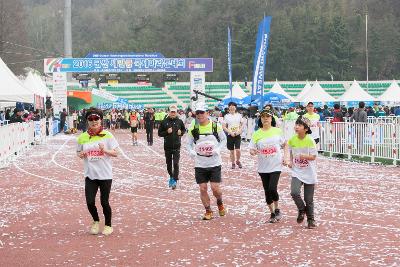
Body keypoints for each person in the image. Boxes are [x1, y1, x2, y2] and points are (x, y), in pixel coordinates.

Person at [76, 107, 119, 236]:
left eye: (96, 119)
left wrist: (105, 150)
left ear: (101, 120)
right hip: (90, 175)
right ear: (87, 121)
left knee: (104, 202)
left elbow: (116, 153)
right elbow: (78, 152)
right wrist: (81, 154)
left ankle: (108, 225)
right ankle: (95, 221)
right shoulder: (83, 137)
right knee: (89, 201)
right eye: (91, 119)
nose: (94, 121)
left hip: (105, 175)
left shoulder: (108, 135)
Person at [187, 102, 227, 220]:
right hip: (200, 163)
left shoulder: (215, 126)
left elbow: (223, 140)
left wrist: (218, 149)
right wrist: (192, 152)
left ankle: (219, 202)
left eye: (202, 113)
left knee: (215, 188)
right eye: (197, 113)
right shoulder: (193, 128)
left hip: (214, 162)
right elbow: (188, 144)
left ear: (207, 113)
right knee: (203, 188)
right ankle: (208, 210)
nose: (199, 115)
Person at [249, 109, 288, 223]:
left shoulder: (277, 131)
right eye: (263, 117)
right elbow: (251, 149)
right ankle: (271, 213)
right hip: (263, 167)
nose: (265, 118)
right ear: (260, 119)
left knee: (272, 188)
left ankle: (277, 209)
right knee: (267, 191)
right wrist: (253, 152)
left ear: (272, 119)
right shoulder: (257, 134)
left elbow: (285, 144)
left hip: (276, 165)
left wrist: (286, 158)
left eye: (268, 116)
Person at [287, 117, 318, 229]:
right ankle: (301, 209)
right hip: (297, 172)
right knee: (294, 192)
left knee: (308, 199)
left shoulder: (310, 140)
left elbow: (314, 157)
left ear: (305, 128)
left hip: (309, 172)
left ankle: (311, 220)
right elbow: (289, 150)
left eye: (299, 125)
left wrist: (304, 156)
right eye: (296, 125)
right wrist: (290, 161)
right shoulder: (292, 139)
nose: (296, 127)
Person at [158, 104, 186, 189]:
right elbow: (159, 133)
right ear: (169, 112)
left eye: (174, 112)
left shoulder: (180, 121)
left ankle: (174, 180)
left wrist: (181, 132)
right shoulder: (164, 121)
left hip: (177, 146)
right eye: (171, 112)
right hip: (167, 146)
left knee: (176, 163)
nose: (173, 113)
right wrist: (167, 132)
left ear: (176, 112)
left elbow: (184, 130)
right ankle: (171, 176)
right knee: (169, 164)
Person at [222, 102, 244, 169]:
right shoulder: (226, 116)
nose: (232, 107)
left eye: (233, 106)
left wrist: (239, 131)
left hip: (237, 135)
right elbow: (224, 126)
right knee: (231, 151)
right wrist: (230, 132)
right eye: (230, 106)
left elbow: (242, 124)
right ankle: (233, 163)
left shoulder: (239, 115)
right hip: (230, 135)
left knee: (238, 150)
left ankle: (238, 161)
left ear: (235, 107)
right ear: (228, 107)